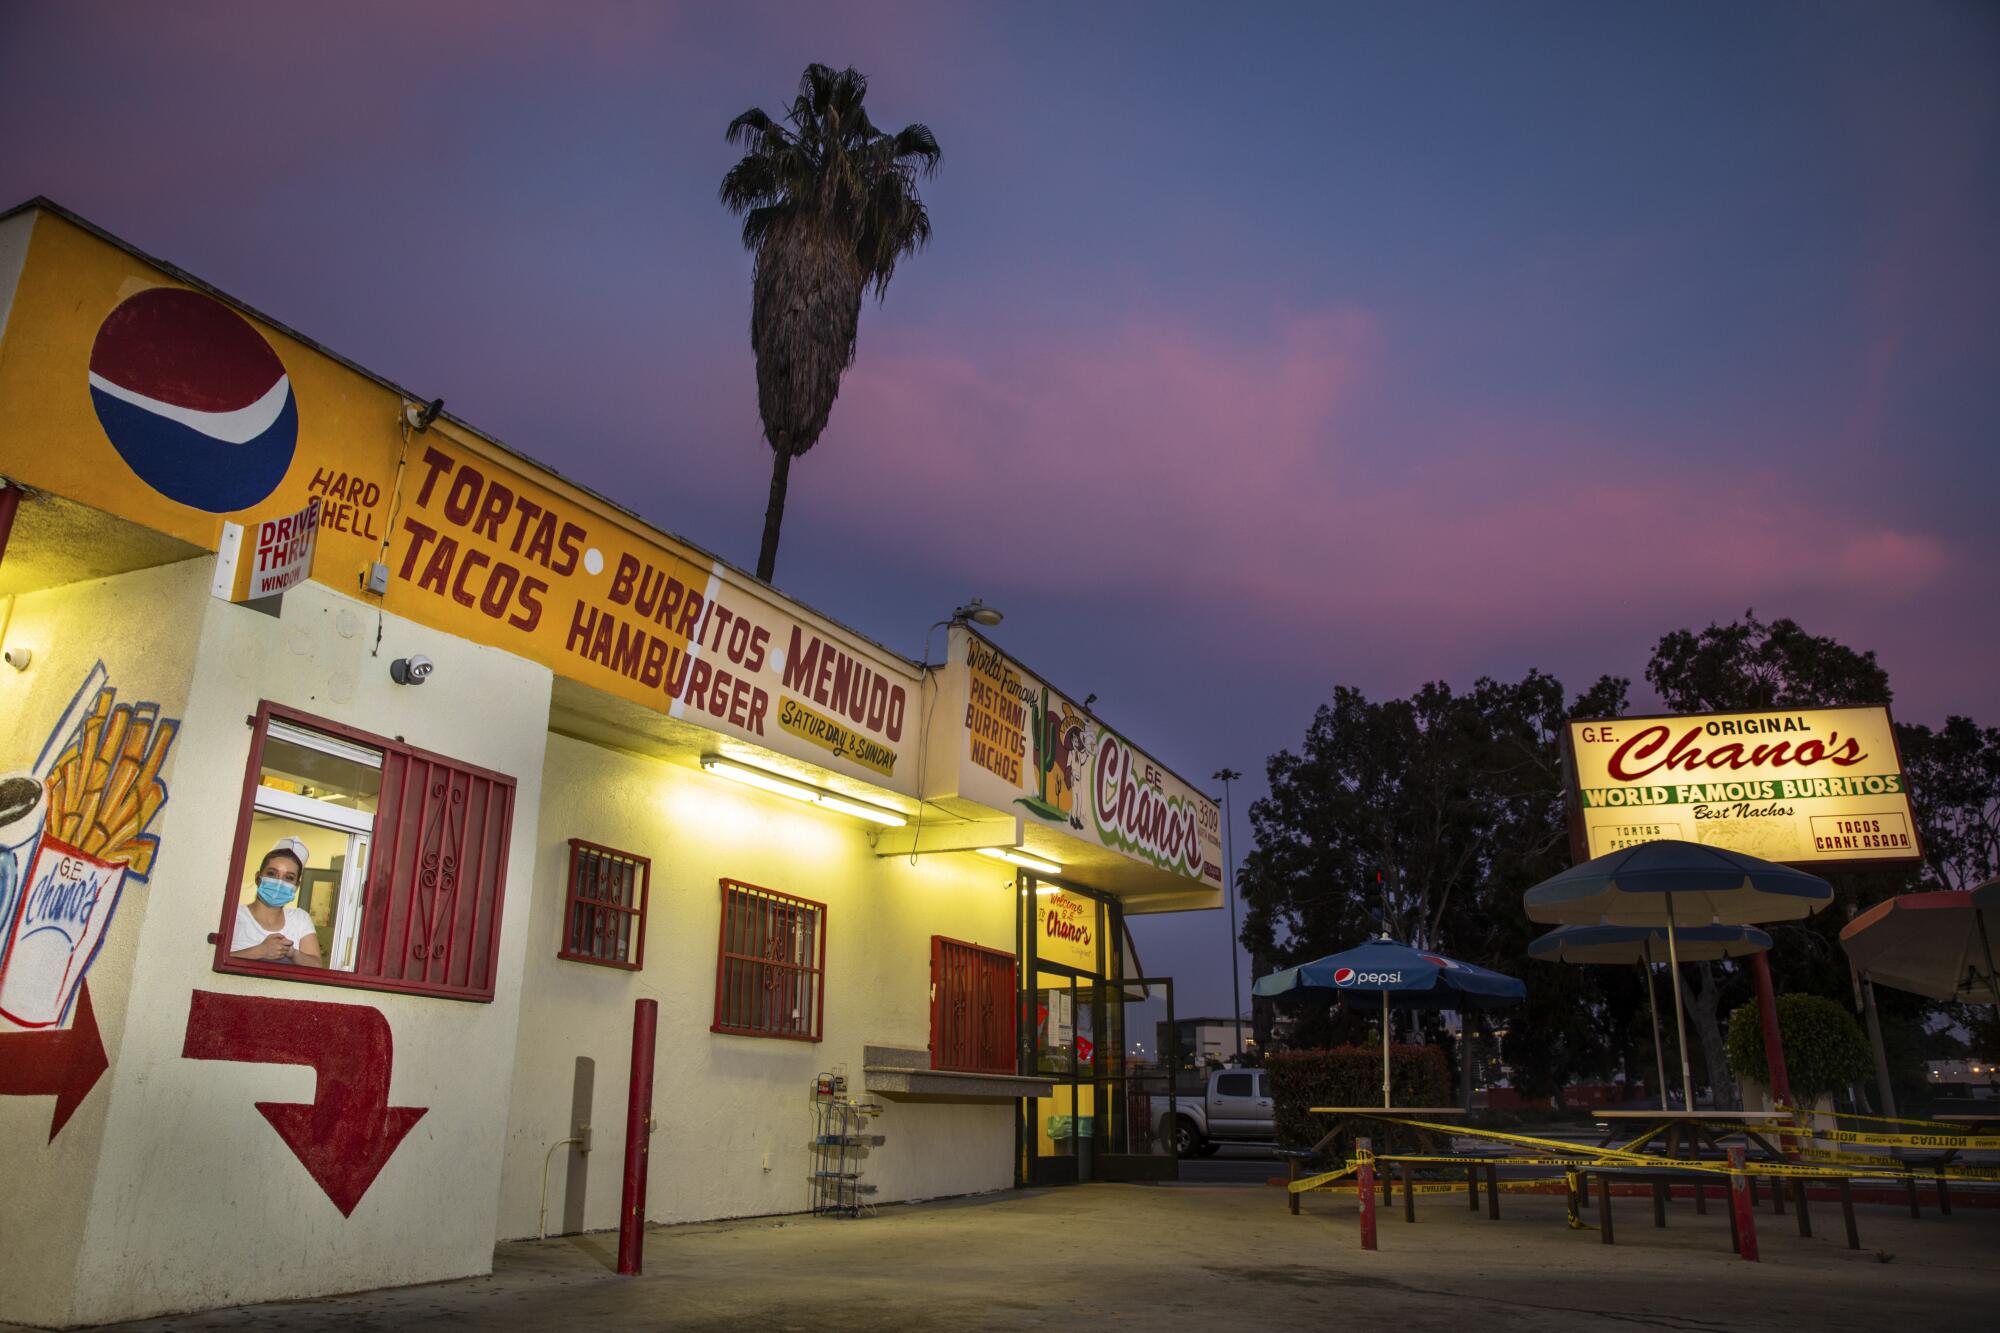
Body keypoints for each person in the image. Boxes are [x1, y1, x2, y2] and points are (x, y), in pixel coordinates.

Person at [229, 837, 324, 967]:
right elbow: (209, 960)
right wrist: (260, 951)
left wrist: (293, 953)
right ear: (258, 877)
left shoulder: (300, 918)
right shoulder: (233, 916)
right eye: (272, 874)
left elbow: (316, 965)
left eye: (289, 877)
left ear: (296, 886)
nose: (279, 882)